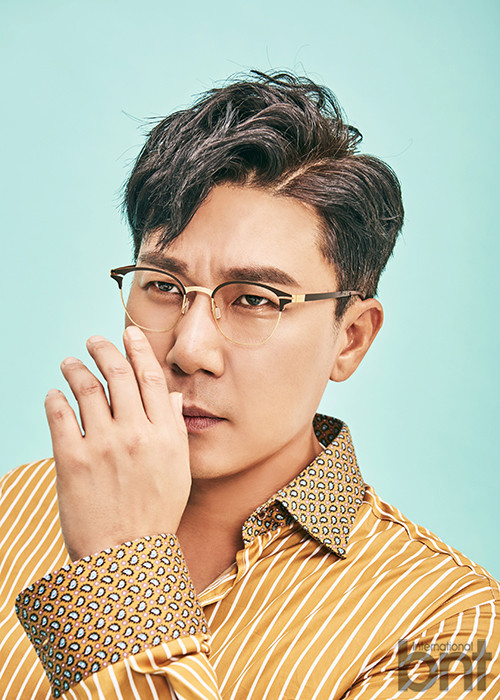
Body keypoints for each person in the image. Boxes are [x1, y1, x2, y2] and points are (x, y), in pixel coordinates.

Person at [1, 71, 498, 699]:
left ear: (350, 338)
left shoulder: (449, 624)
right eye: (163, 286)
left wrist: (120, 571)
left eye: (256, 299)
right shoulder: (13, 507)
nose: (190, 349)